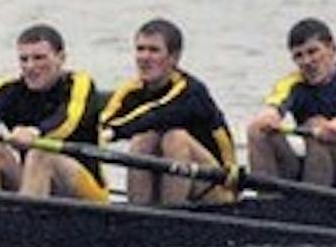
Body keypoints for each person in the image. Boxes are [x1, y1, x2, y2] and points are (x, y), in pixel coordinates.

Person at [0, 23, 108, 202]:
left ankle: (25, 224)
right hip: (33, 181)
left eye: (39, 58)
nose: (30, 66)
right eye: (24, 59)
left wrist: (36, 132)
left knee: (40, 152)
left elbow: (68, 120)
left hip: (85, 188)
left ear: (61, 58)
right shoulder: (10, 87)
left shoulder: (80, 84)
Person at [99, 18, 238, 205]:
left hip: (219, 187)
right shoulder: (130, 90)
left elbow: (157, 114)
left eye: (154, 50)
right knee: (143, 139)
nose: (144, 57)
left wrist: (115, 132)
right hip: (177, 178)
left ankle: (170, 216)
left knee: (175, 138)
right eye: (140, 49)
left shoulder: (191, 91)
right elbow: (105, 122)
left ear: (174, 57)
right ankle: (138, 215)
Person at [246, 17, 336, 193]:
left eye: (313, 52)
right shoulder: (292, 82)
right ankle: (266, 204)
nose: (306, 61)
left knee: (318, 126)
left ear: (333, 49)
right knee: (257, 130)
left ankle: (309, 206)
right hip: (316, 166)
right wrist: (269, 115)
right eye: (299, 56)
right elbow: (275, 102)